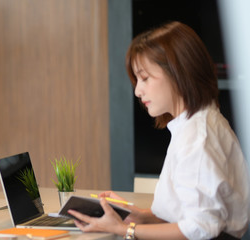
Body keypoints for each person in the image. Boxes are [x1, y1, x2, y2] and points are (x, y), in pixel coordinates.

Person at [69, 21, 250, 239]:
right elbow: (191, 215)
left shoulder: (197, 138)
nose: (137, 91)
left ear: (178, 72)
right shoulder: (198, 123)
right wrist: (140, 215)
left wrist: (124, 230)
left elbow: (200, 228)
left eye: (145, 78)